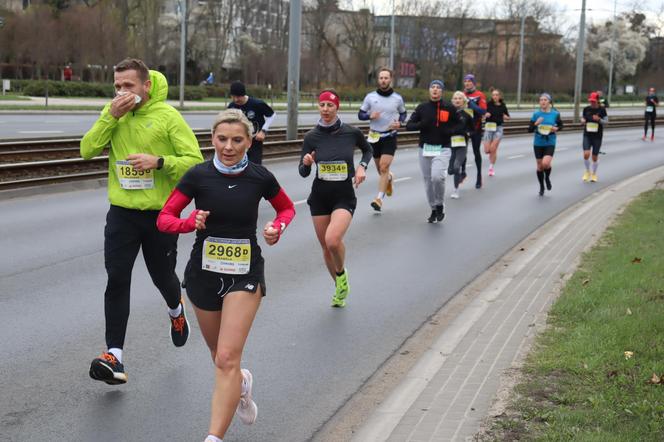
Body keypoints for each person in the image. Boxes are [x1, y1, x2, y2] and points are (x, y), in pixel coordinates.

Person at [157, 109, 295, 442]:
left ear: (249, 141)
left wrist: (277, 227)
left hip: (244, 274)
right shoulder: (197, 176)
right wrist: (191, 223)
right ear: (212, 140)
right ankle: (242, 384)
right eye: (222, 139)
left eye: (237, 140)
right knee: (220, 358)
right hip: (203, 274)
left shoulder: (260, 177)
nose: (228, 147)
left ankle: (214, 438)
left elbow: (287, 208)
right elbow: (164, 219)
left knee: (226, 358)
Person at [80, 58, 204, 385]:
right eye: (117, 86)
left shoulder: (167, 117)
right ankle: (114, 356)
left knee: (162, 277)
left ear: (145, 86)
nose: (122, 92)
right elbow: (86, 149)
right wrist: (110, 116)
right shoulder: (113, 116)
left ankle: (176, 311)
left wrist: (159, 162)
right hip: (122, 213)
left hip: (160, 214)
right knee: (117, 278)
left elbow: (195, 163)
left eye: (128, 86)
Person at [299, 90, 372, 307]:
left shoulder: (351, 132)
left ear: (336, 107)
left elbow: (368, 150)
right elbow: (302, 172)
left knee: (332, 240)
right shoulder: (312, 137)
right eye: (322, 105)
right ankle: (340, 287)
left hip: (343, 196)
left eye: (330, 105)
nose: (325, 109)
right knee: (325, 247)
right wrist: (306, 163)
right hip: (320, 197)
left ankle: (341, 274)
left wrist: (362, 167)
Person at [406, 80, 460, 222]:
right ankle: (433, 209)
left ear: (442, 91)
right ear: (429, 90)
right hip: (425, 148)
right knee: (428, 181)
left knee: (437, 177)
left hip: (443, 148)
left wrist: (450, 131)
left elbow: (460, 124)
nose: (435, 90)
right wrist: (421, 124)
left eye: (438, 88)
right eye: (432, 87)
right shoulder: (422, 108)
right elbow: (409, 125)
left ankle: (440, 204)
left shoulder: (449, 107)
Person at [358, 67, 407, 212]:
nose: (383, 80)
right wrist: (369, 116)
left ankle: (379, 199)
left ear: (390, 79)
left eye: (386, 78)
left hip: (389, 136)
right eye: (381, 78)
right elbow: (360, 115)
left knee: (384, 167)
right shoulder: (370, 97)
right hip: (374, 137)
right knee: (381, 170)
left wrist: (400, 123)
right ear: (378, 80)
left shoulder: (397, 98)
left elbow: (403, 114)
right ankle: (389, 179)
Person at [228, 81, 275, 164]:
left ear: (243, 95)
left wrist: (263, 131)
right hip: (238, 142)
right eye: (233, 97)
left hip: (255, 141)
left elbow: (272, 115)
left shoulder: (257, 104)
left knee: (254, 166)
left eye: (238, 97)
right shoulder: (231, 106)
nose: (236, 99)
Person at [528, 93, 563, 196]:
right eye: (541, 100)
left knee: (545, 164)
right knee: (539, 166)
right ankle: (542, 186)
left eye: (545, 100)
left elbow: (561, 125)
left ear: (549, 102)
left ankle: (547, 177)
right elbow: (529, 129)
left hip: (550, 141)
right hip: (538, 142)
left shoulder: (555, 114)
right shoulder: (536, 114)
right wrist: (536, 124)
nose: (542, 102)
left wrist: (556, 128)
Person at [462, 74, 487, 189]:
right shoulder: (461, 95)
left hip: (475, 128)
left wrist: (470, 103)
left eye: (469, 81)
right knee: (462, 152)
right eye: (465, 81)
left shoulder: (479, 95)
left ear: (473, 83)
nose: (467, 83)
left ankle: (479, 176)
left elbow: (482, 111)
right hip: (463, 128)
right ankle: (463, 172)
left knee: (476, 152)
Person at [449, 91, 474, 199]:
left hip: (462, 144)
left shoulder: (467, 114)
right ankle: (461, 173)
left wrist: (468, 133)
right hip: (450, 144)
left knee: (456, 167)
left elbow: (473, 130)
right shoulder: (448, 113)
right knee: (450, 170)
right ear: (452, 101)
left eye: (459, 98)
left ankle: (455, 190)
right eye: (455, 98)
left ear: (463, 101)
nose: (457, 100)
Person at [581, 92, 608, 182]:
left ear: (597, 100)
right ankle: (587, 171)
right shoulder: (586, 109)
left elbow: (606, 122)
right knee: (586, 154)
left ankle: (594, 174)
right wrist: (582, 120)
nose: (592, 103)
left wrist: (599, 119)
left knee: (594, 157)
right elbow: (583, 118)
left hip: (597, 136)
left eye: (593, 101)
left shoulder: (602, 110)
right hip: (587, 135)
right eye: (590, 101)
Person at [483, 88, 510, 177]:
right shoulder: (488, 104)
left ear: (499, 96)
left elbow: (508, 117)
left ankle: (491, 168)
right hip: (489, 128)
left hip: (498, 128)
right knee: (487, 150)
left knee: (493, 148)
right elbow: (482, 114)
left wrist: (505, 116)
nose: (495, 96)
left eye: (496, 95)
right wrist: (485, 115)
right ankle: (491, 156)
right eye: (493, 95)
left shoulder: (503, 106)